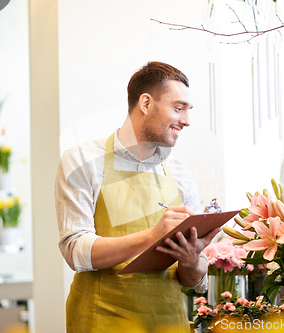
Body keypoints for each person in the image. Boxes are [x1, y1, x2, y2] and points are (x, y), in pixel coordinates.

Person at [55, 61, 220, 332]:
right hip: (101, 321)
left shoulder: (181, 174)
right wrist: (152, 235)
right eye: (178, 108)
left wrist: (191, 259)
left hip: (168, 322)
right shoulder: (82, 160)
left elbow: (195, 281)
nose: (187, 121)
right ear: (145, 103)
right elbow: (76, 251)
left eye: (189, 111)